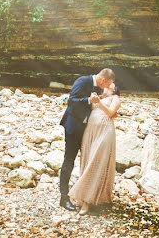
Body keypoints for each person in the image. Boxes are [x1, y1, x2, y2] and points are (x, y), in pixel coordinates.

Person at [58, 68, 115, 211]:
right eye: (108, 84)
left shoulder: (98, 87)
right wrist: (89, 100)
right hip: (73, 127)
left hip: (87, 130)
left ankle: (86, 196)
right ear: (103, 80)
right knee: (69, 160)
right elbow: (71, 101)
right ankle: (64, 198)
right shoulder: (83, 81)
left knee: (88, 161)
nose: (107, 88)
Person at [68, 81, 120, 214]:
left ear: (114, 90)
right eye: (106, 85)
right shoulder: (99, 96)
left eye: (110, 86)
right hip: (90, 131)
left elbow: (110, 113)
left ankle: (86, 201)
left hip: (104, 132)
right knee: (86, 161)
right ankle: (83, 197)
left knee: (95, 162)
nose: (107, 87)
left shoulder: (115, 98)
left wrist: (99, 102)